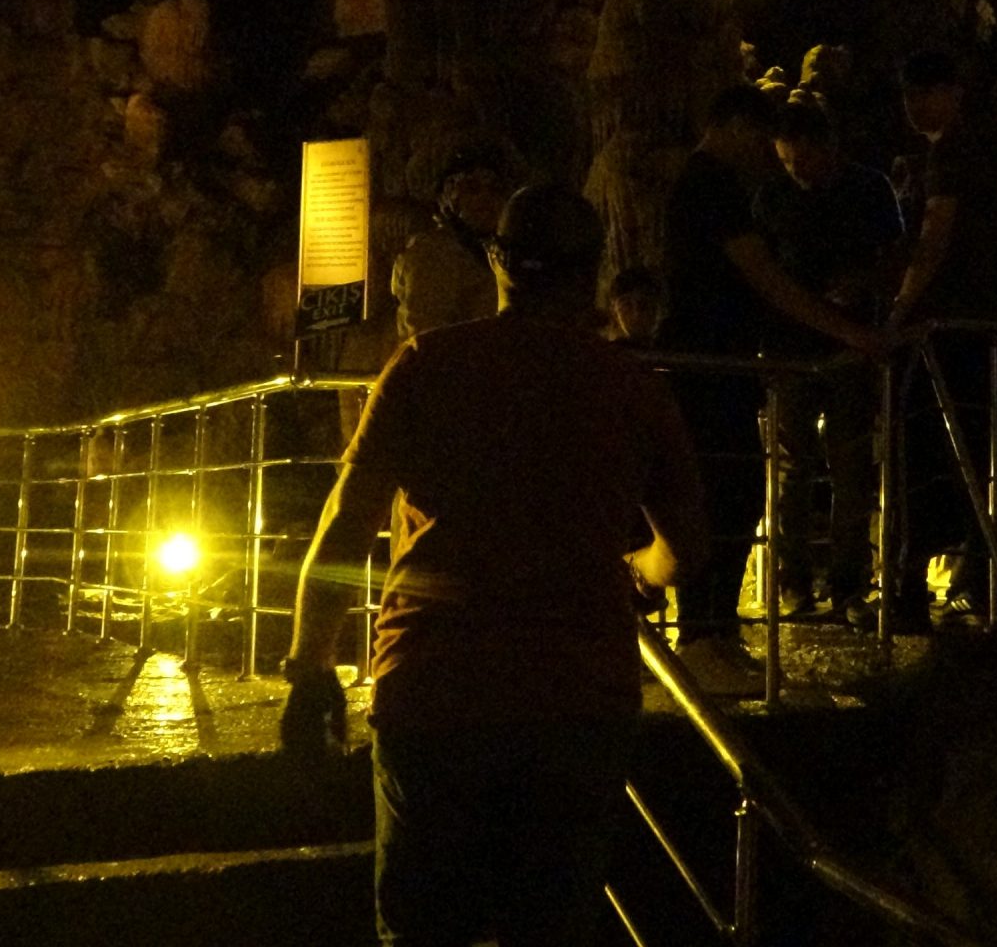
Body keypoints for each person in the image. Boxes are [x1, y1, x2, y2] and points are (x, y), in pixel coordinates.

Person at [280, 186, 708, 947]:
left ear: (499, 260)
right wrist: (638, 569)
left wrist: (310, 667)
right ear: (592, 271)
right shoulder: (631, 388)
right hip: (576, 696)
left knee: (423, 928)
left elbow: (344, 527)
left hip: (435, 690)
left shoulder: (424, 365)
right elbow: (686, 551)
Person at [661, 85, 883, 673]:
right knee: (724, 495)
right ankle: (703, 634)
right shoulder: (713, 185)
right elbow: (765, 276)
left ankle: (714, 630)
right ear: (736, 125)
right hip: (712, 368)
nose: (766, 156)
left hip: (719, 363)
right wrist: (846, 329)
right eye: (761, 140)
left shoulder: (708, 184)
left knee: (731, 495)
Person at [754, 98, 903, 625]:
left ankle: (847, 584)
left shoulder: (868, 188)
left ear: (828, 148)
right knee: (792, 469)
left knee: (851, 466)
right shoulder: (772, 195)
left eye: (802, 160)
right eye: (786, 162)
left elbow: (896, 258)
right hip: (791, 348)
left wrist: (863, 285)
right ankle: (793, 582)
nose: (796, 172)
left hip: (850, 345)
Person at [883, 48, 997, 623]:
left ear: (952, 94)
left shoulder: (953, 154)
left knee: (925, 449)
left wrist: (901, 305)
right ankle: (975, 572)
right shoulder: (969, 150)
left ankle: (913, 581)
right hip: (975, 320)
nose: (913, 104)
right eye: (908, 94)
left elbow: (936, 235)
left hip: (947, 323)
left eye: (923, 92)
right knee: (972, 448)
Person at [388, 147, 508, 341]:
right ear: (448, 197)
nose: (486, 198)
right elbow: (426, 340)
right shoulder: (432, 257)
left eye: (495, 189)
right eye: (472, 188)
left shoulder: (499, 252)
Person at [604, 266, 666, 347]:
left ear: (661, 310)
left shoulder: (674, 351)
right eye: (627, 305)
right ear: (615, 311)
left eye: (644, 305)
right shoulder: (604, 352)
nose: (636, 314)